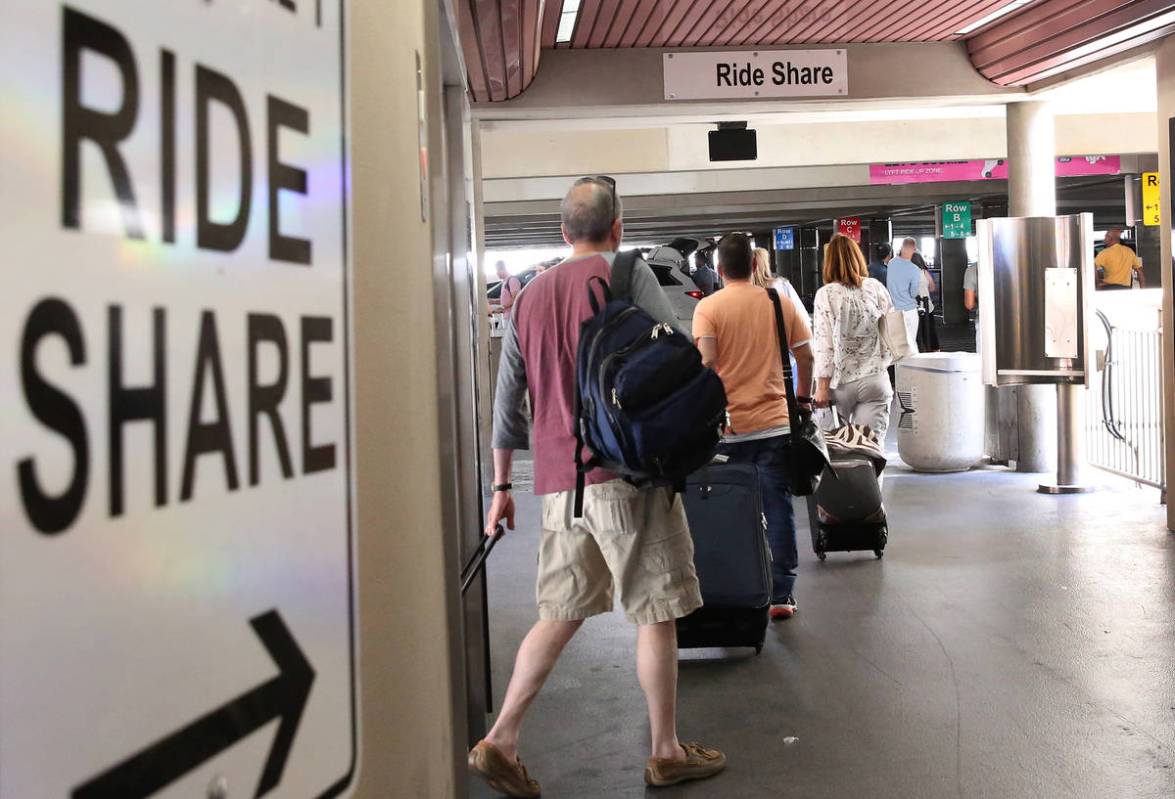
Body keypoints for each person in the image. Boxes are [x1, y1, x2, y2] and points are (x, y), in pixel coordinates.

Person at [472, 176, 726, 797]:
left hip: (562, 487)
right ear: (617, 228)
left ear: (563, 232)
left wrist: (501, 486)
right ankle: (665, 751)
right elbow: (673, 359)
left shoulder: (528, 297)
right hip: (626, 476)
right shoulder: (627, 273)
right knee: (655, 612)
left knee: (559, 613)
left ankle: (501, 737)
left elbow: (507, 405)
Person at [694, 233, 814, 621]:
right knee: (778, 506)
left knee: (727, 508)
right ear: (752, 265)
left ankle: (734, 588)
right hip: (775, 425)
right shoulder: (778, 303)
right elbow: (806, 357)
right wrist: (803, 398)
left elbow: (706, 364)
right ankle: (782, 594)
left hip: (727, 429)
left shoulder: (708, 307)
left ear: (719, 269)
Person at [812, 234, 896, 440]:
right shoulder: (875, 287)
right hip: (875, 379)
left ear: (828, 263)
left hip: (839, 384)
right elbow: (892, 331)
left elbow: (824, 344)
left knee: (835, 448)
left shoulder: (826, 294)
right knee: (870, 449)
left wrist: (821, 388)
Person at [886, 237, 922, 348]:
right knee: (911, 343)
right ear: (914, 249)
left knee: (897, 345)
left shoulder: (891, 263)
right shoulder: (915, 269)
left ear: (901, 247)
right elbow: (913, 293)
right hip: (909, 310)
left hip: (894, 310)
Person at [910, 251, 939, 352]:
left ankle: (919, 350)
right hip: (928, 307)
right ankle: (934, 349)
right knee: (930, 330)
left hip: (913, 308)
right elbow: (932, 288)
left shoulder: (908, 274)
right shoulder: (924, 272)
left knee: (916, 332)